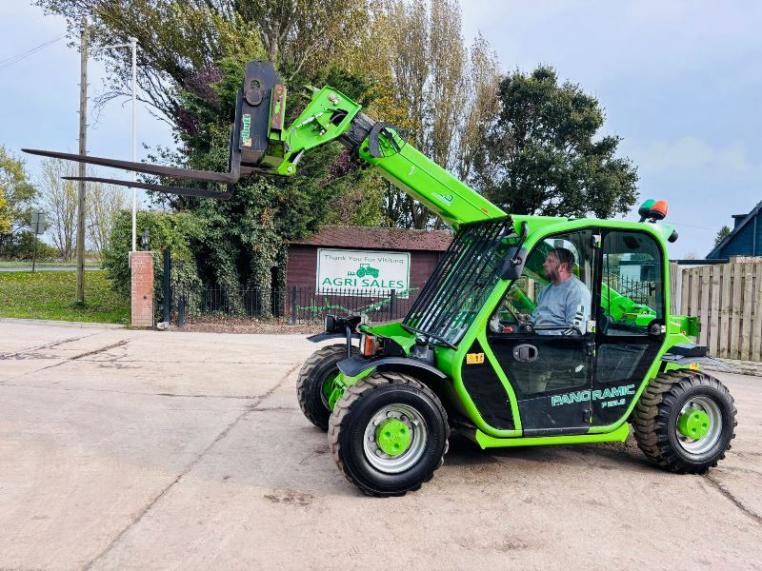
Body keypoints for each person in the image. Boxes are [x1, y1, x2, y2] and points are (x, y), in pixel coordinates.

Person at [531, 247, 591, 335]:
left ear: (563, 267)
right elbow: (536, 317)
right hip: (538, 340)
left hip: (558, 345)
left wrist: (552, 341)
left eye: (550, 261)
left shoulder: (577, 292)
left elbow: (575, 330)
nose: (544, 264)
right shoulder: (546, 290)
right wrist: (527, 321)